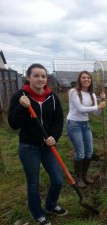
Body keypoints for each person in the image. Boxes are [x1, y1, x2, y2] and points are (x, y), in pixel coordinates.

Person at [8, 63, 67, 225]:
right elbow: (13, 124)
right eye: (36, 76)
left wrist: (54, 136)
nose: (41, 79)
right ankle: (38, 214)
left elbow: (58, 120)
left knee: (58, 179)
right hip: (29, 147)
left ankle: (51, 205)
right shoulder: (20, 97)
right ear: (28, 77)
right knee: (33, 182)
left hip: (48, 146)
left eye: (43, 76)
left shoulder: (52, 98)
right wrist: (21, 107)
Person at [66, 71, 106, 188]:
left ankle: (84, 175)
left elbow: (95, 113)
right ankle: (78, 178)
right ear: (79, 80)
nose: (86, 79)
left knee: (89, 152)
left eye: (88, 78)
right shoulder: (74, 92)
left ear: (91, 80)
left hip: (85, 125)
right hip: (74, 124)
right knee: (80, 153)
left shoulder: (92, 95)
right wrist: (97, 106)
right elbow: (80, 109)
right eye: (84, 78)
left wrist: (101, 104)